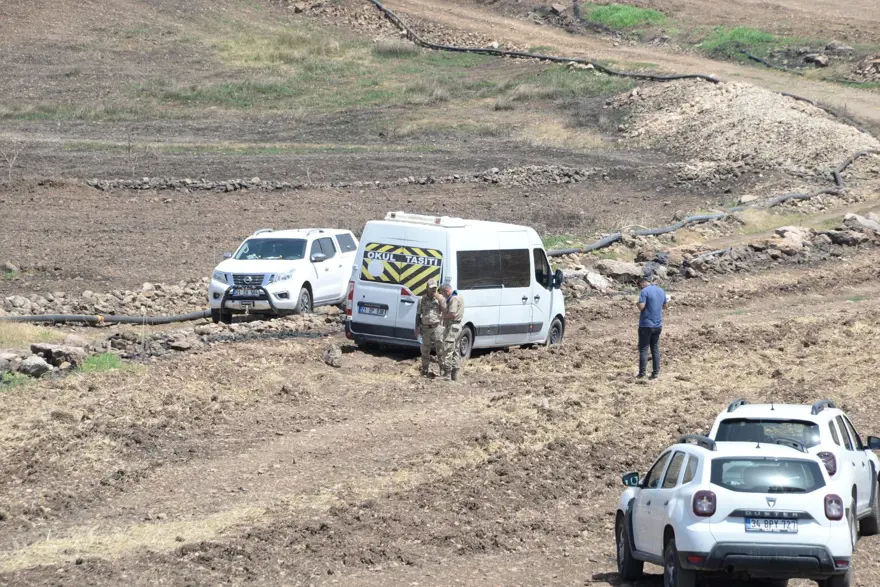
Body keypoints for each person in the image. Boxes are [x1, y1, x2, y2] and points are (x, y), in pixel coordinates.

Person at [636, 276, 668, 380]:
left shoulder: (644, 291)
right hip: (658, 325)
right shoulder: (661, 290)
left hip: (646, 324)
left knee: (644, 349)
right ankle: (655, 372)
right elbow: (665, 306)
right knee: (655, 348)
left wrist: (637, 303)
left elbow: (641, 307)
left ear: (641, 284)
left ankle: (642, 373)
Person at [415, 278, 446, 376]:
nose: (433, 290)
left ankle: (443, 370)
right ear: (427, 288)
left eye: (435, 288)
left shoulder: (439, 299)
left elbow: (445, 311)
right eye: (431, 288)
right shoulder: (421, 299)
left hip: (437, 327)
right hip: (425, 328)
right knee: (424, 350)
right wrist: (416, 327)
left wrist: (441, 300)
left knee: (440, 350)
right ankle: (424, 370)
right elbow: (418, 314)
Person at [439, 283, 464, 381]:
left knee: (448, 349)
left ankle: (447, 374)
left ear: (446, 291)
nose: (443, 296)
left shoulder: (453, 299)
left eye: (443, 293)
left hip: (453, 327)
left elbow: (452, 314)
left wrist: (442, 317)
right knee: (456, 350)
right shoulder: (459, 296)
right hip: (457, 326)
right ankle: (455, 374)